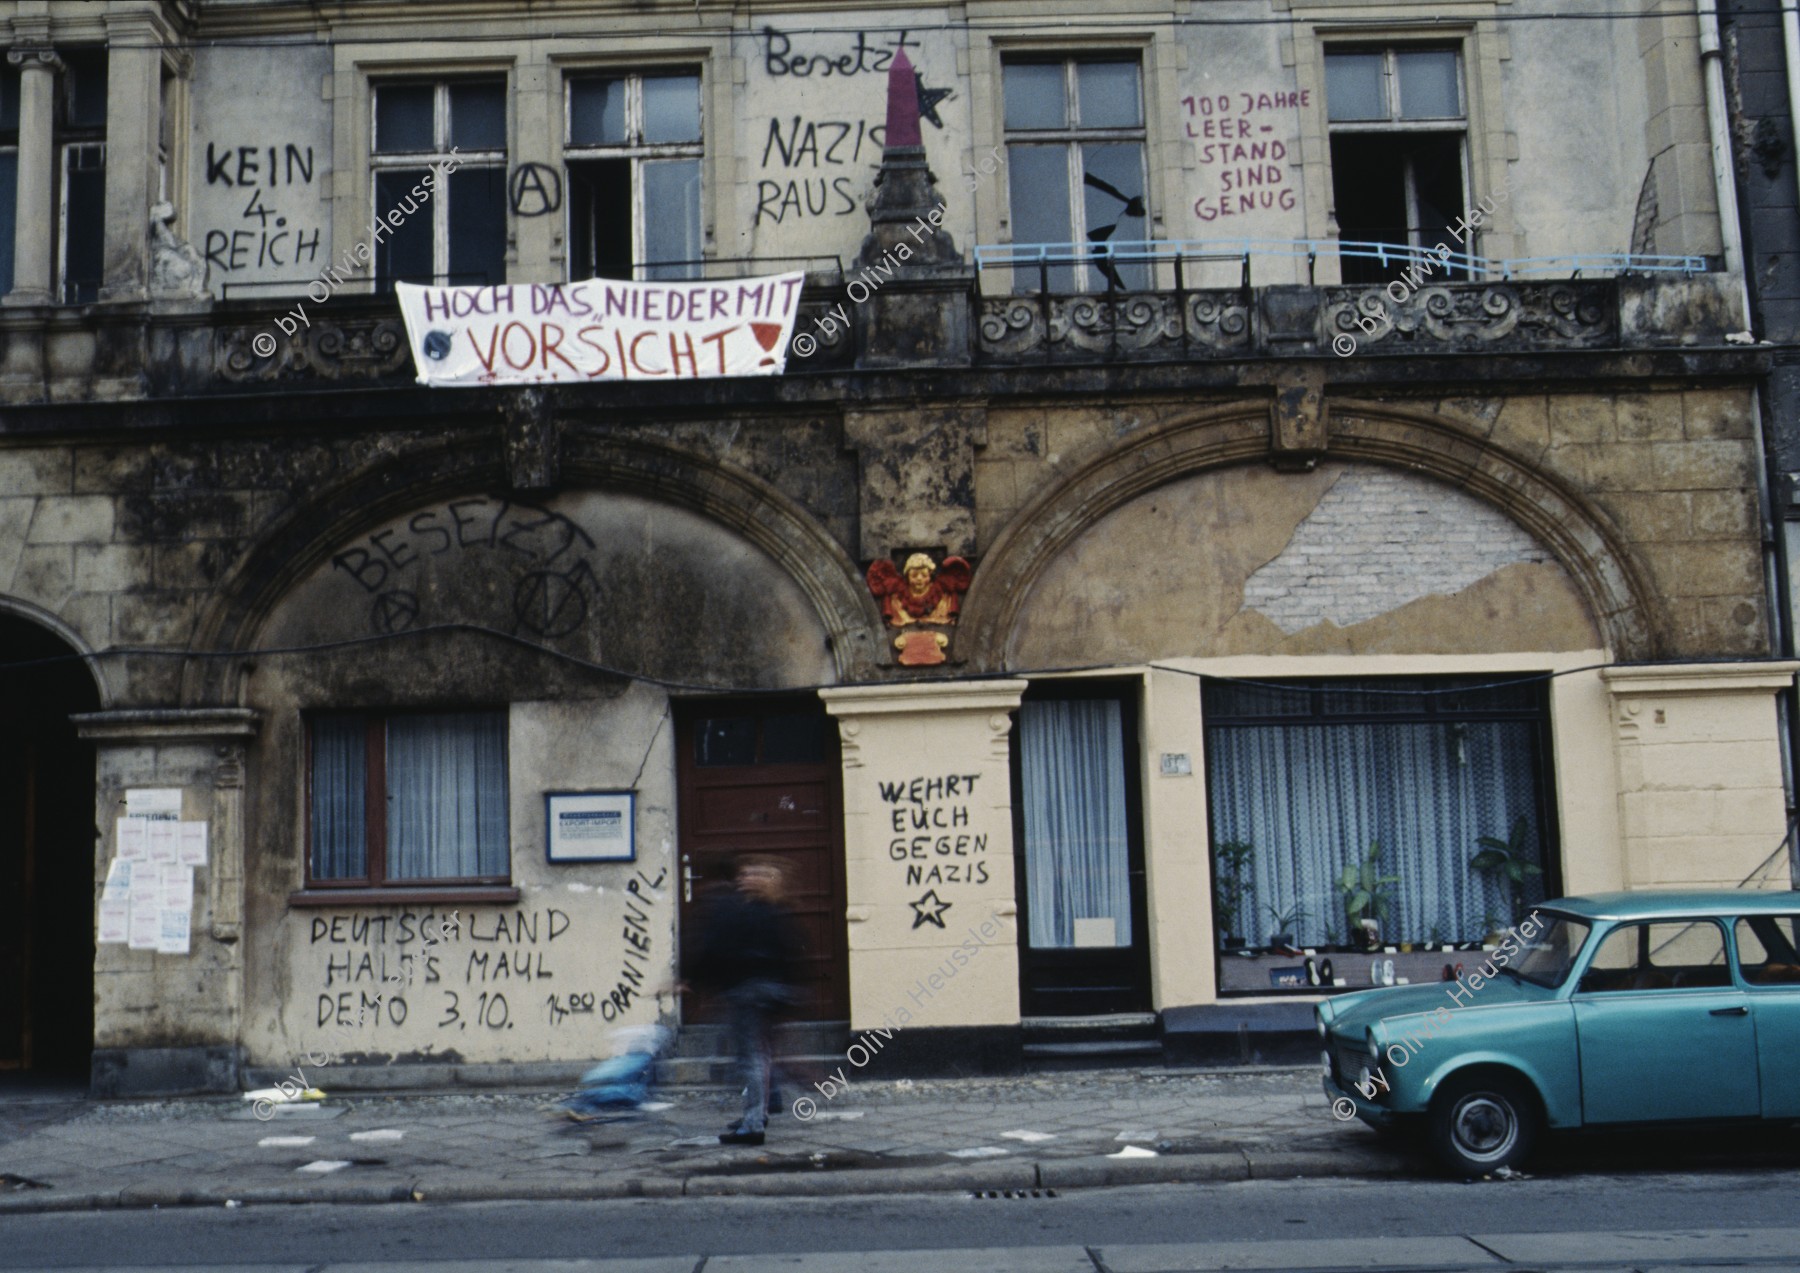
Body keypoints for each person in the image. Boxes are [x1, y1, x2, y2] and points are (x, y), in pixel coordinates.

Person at [686, 855, 804, 1146]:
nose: (744, 878)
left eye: (753, 874)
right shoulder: (770, 910)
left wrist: (697, 980)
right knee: (759, 1058)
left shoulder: (751, 912)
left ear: (765, 881)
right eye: (745, 873)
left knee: (750, 1059)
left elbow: (725, 949)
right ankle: (757, 1115)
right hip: (763, 992)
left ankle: (752, 1126)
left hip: (750, 992)